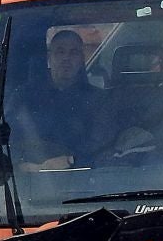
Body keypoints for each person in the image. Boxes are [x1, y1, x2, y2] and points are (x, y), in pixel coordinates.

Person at [9, 28, 114, 169]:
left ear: (82, 59)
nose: (66, 58)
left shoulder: (98, 100)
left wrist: (72, 160)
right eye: (60, 52)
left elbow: (104, 145)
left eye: (74, 53)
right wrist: (23, 166)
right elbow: (6, 140)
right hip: (28, 184)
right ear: (49, 57)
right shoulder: (23, 97)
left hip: (88, 178)